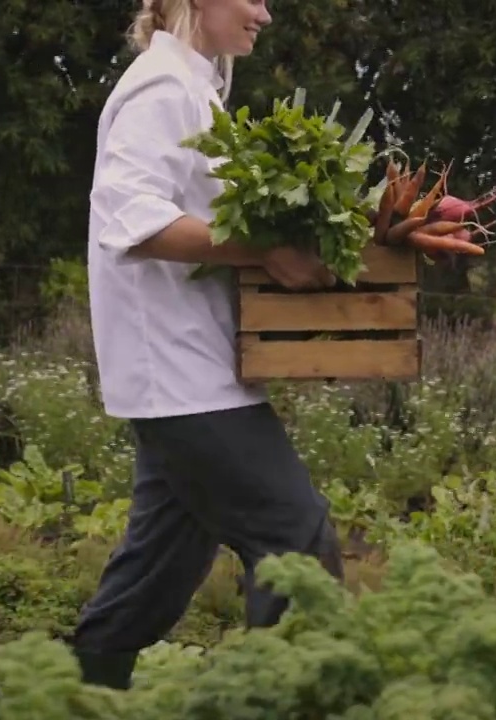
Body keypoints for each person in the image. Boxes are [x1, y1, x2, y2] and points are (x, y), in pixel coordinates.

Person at [70, 0, 346, 691]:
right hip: (179, 374)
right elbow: (131, 214)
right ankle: (284, 702)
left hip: (189, 371)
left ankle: (67, 697)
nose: (265, 13)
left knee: (156, 574)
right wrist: (263, 250)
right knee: (296, 538)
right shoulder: (161, 88)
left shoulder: (197, 89)